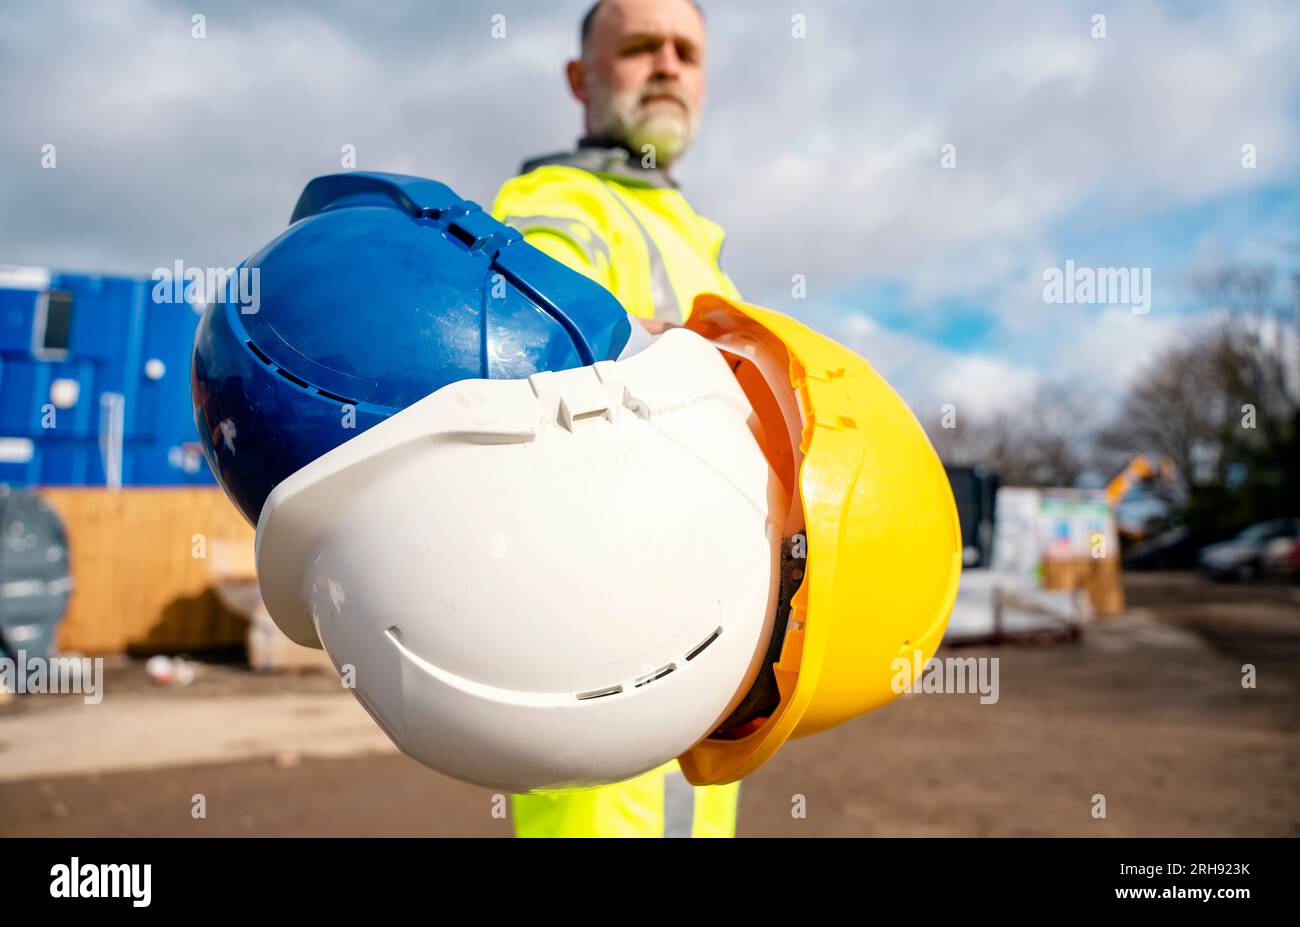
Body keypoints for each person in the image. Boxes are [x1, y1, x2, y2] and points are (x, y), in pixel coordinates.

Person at [491, 0, 745, 837]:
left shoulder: (695, 233)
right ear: (580, 78)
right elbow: (524, 359)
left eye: (687, 51)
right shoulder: (556, 201)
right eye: (641, 47)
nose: (669, 64)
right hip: (601, 663)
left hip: (700, 656)